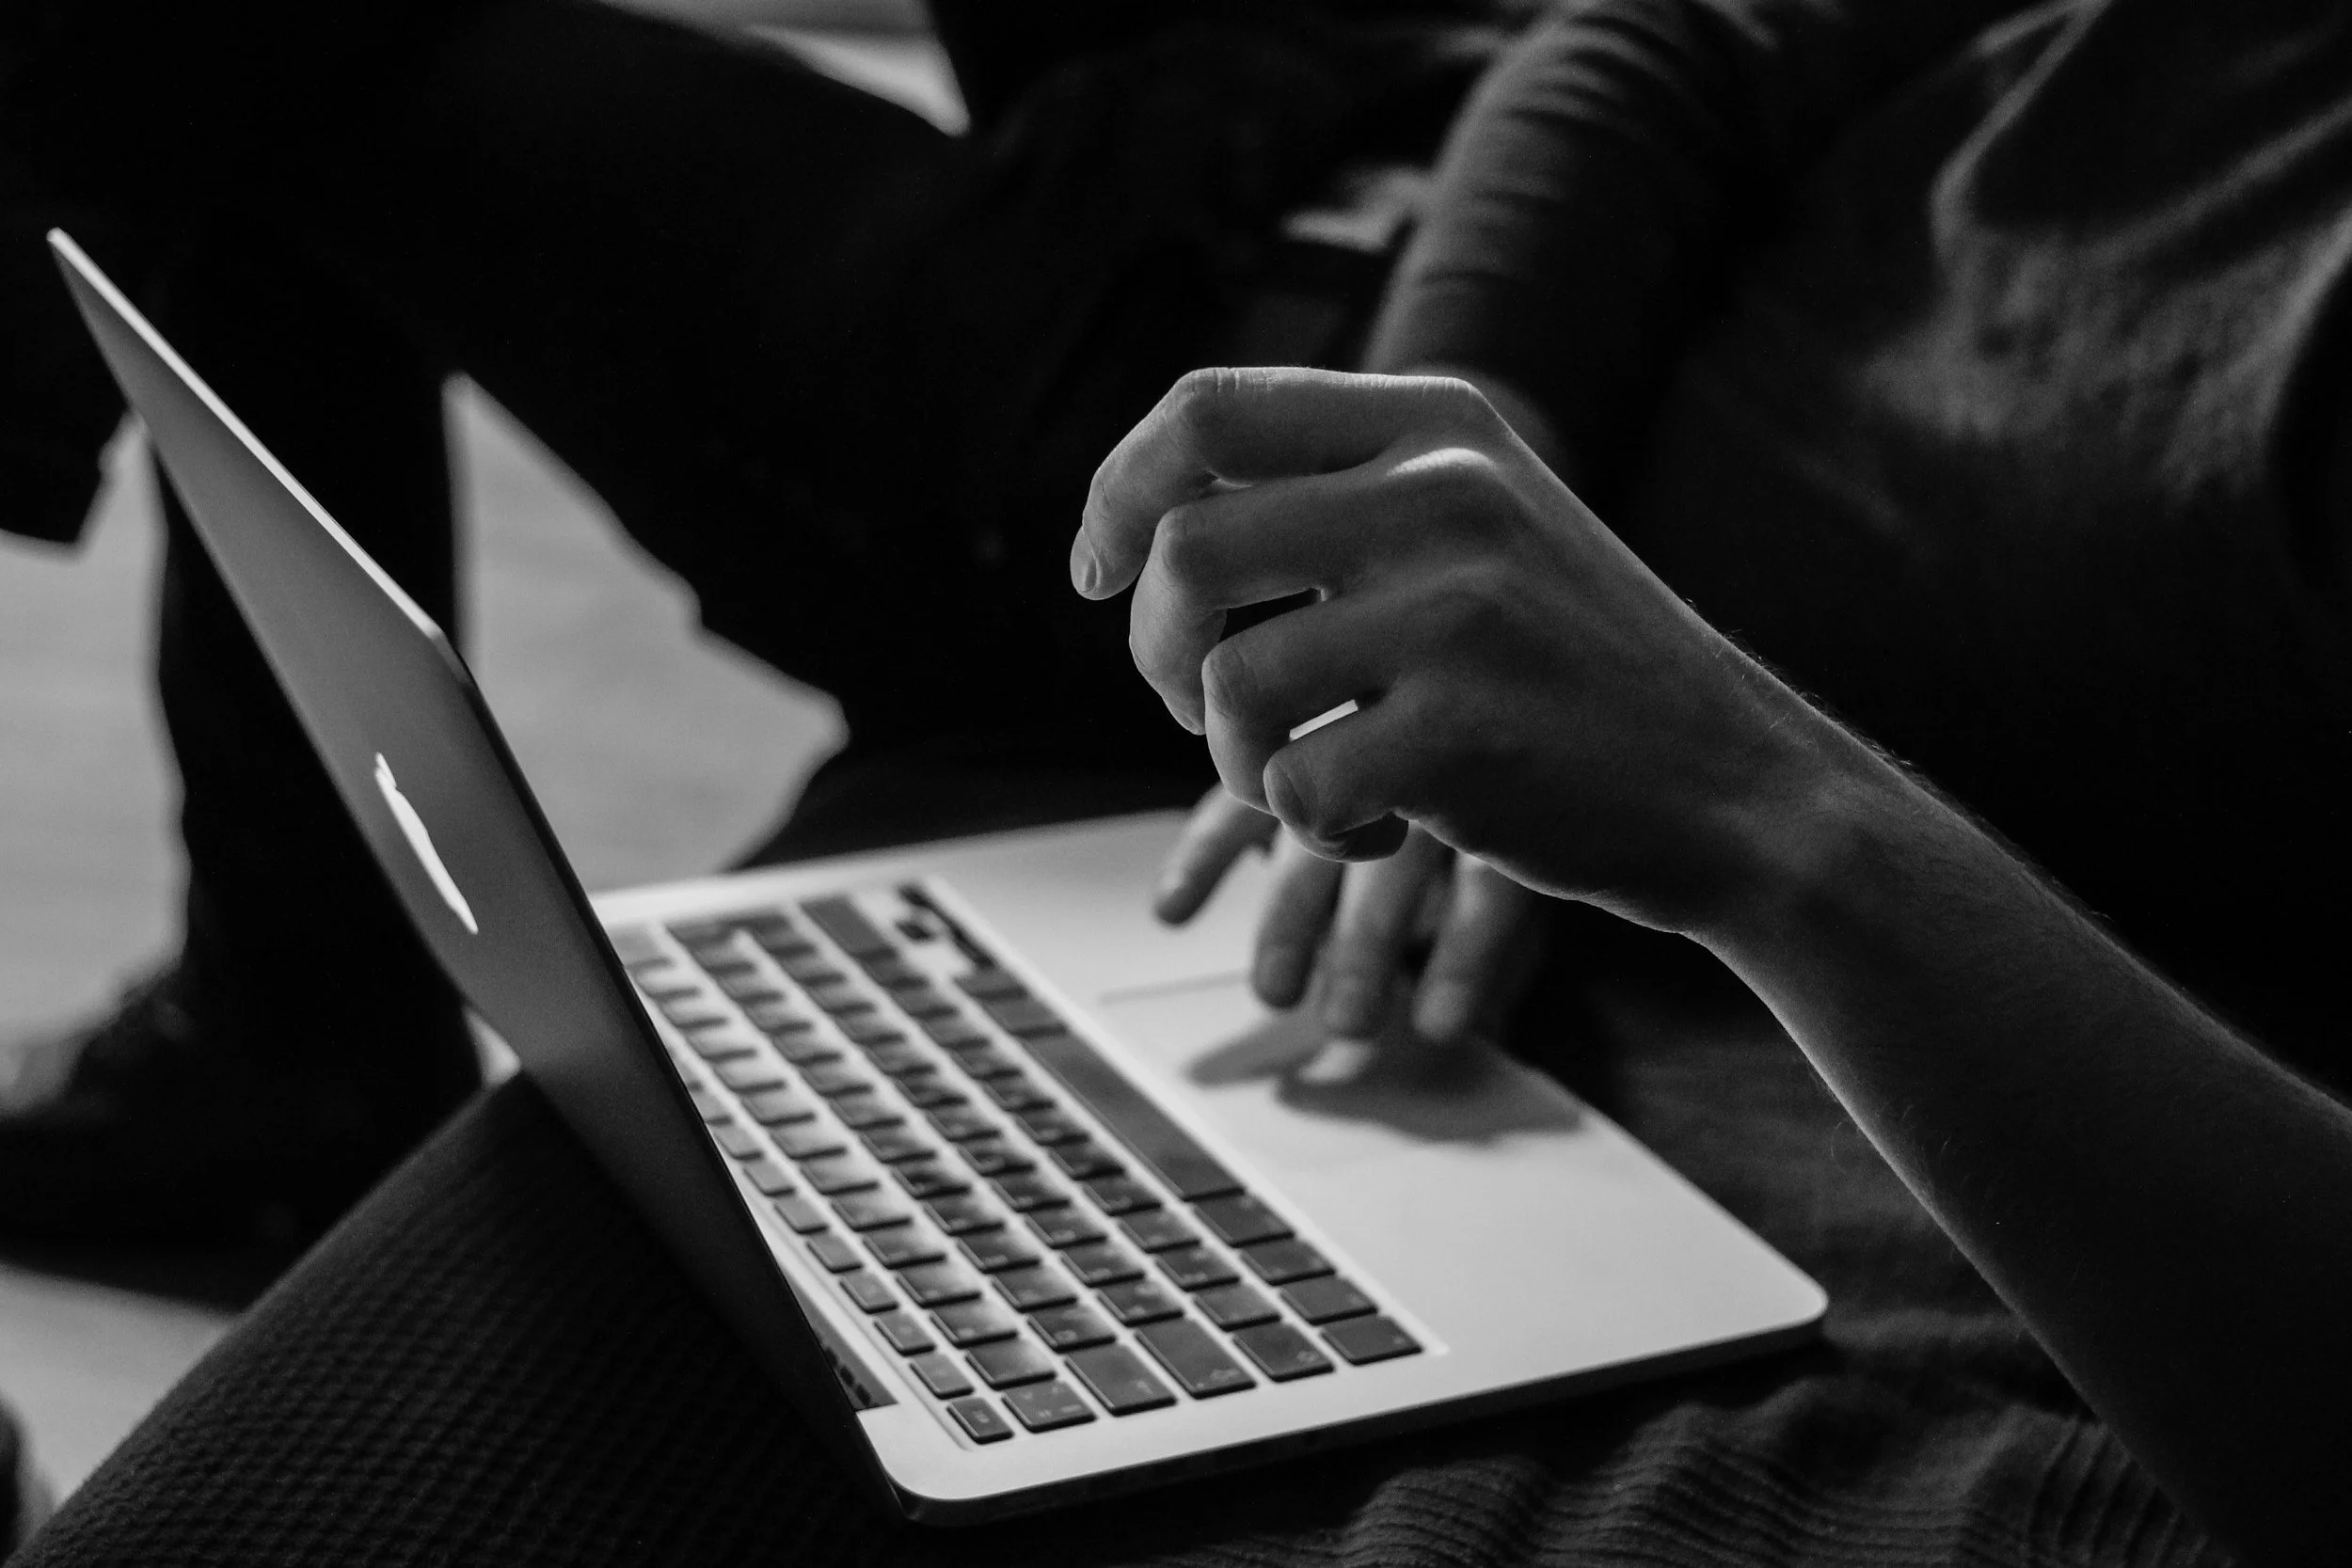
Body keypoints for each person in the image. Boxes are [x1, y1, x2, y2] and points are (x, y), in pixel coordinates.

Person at [0, 0, 2346, 1558]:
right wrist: (1472, 455)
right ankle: (289, 1023)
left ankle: (281, 1038)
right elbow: (1655, 44)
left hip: (1138, 479)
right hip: (1308, 232)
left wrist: (1757, 798)